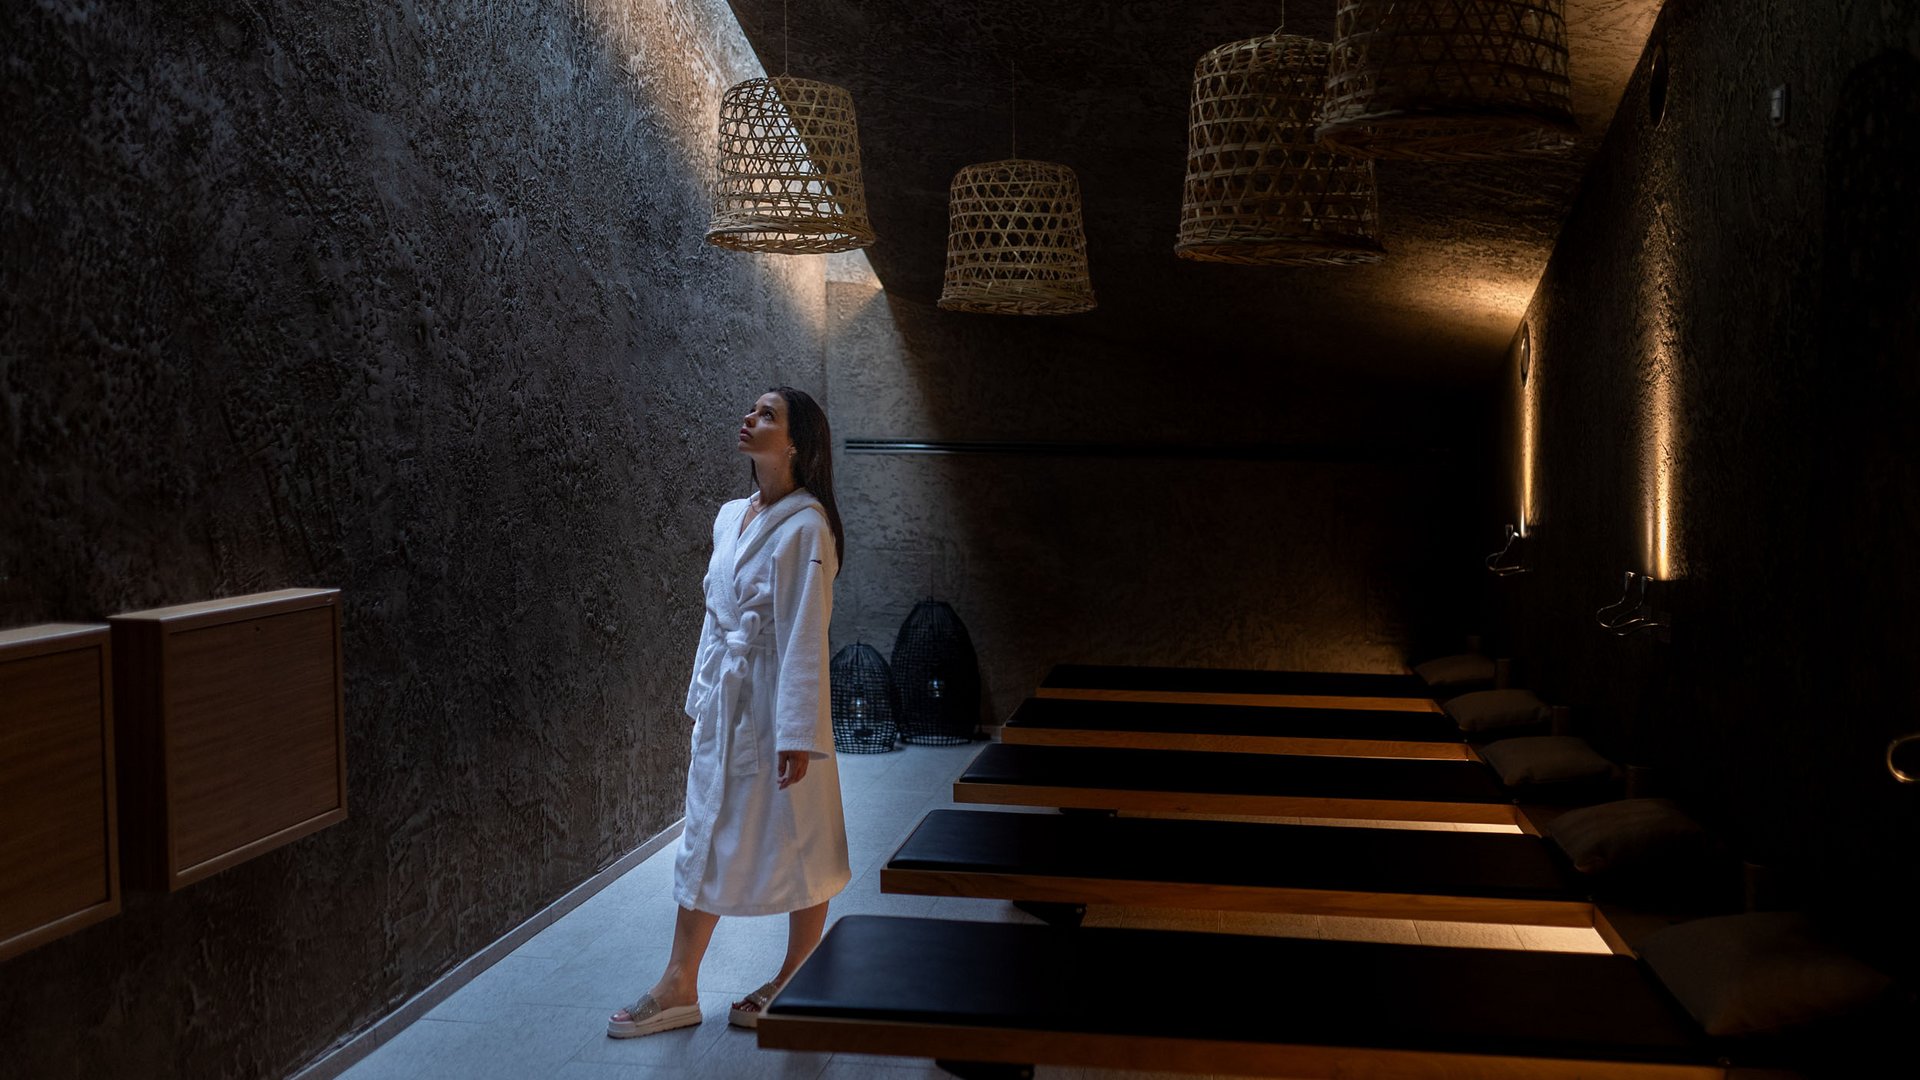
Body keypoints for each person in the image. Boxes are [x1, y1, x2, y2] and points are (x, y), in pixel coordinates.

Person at [608, 386, 851, 1039]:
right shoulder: (729, 516)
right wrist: (704, 700)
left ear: (797, 441)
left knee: (803, 839)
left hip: (779, 702)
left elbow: (805, 633)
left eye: (767, 414)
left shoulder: (807, 527)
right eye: (751, 410)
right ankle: (680, 983)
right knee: (705, 836)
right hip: (730, 703)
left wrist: (796, 733)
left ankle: (796, 972)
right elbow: (716, 624)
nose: (750, 418)